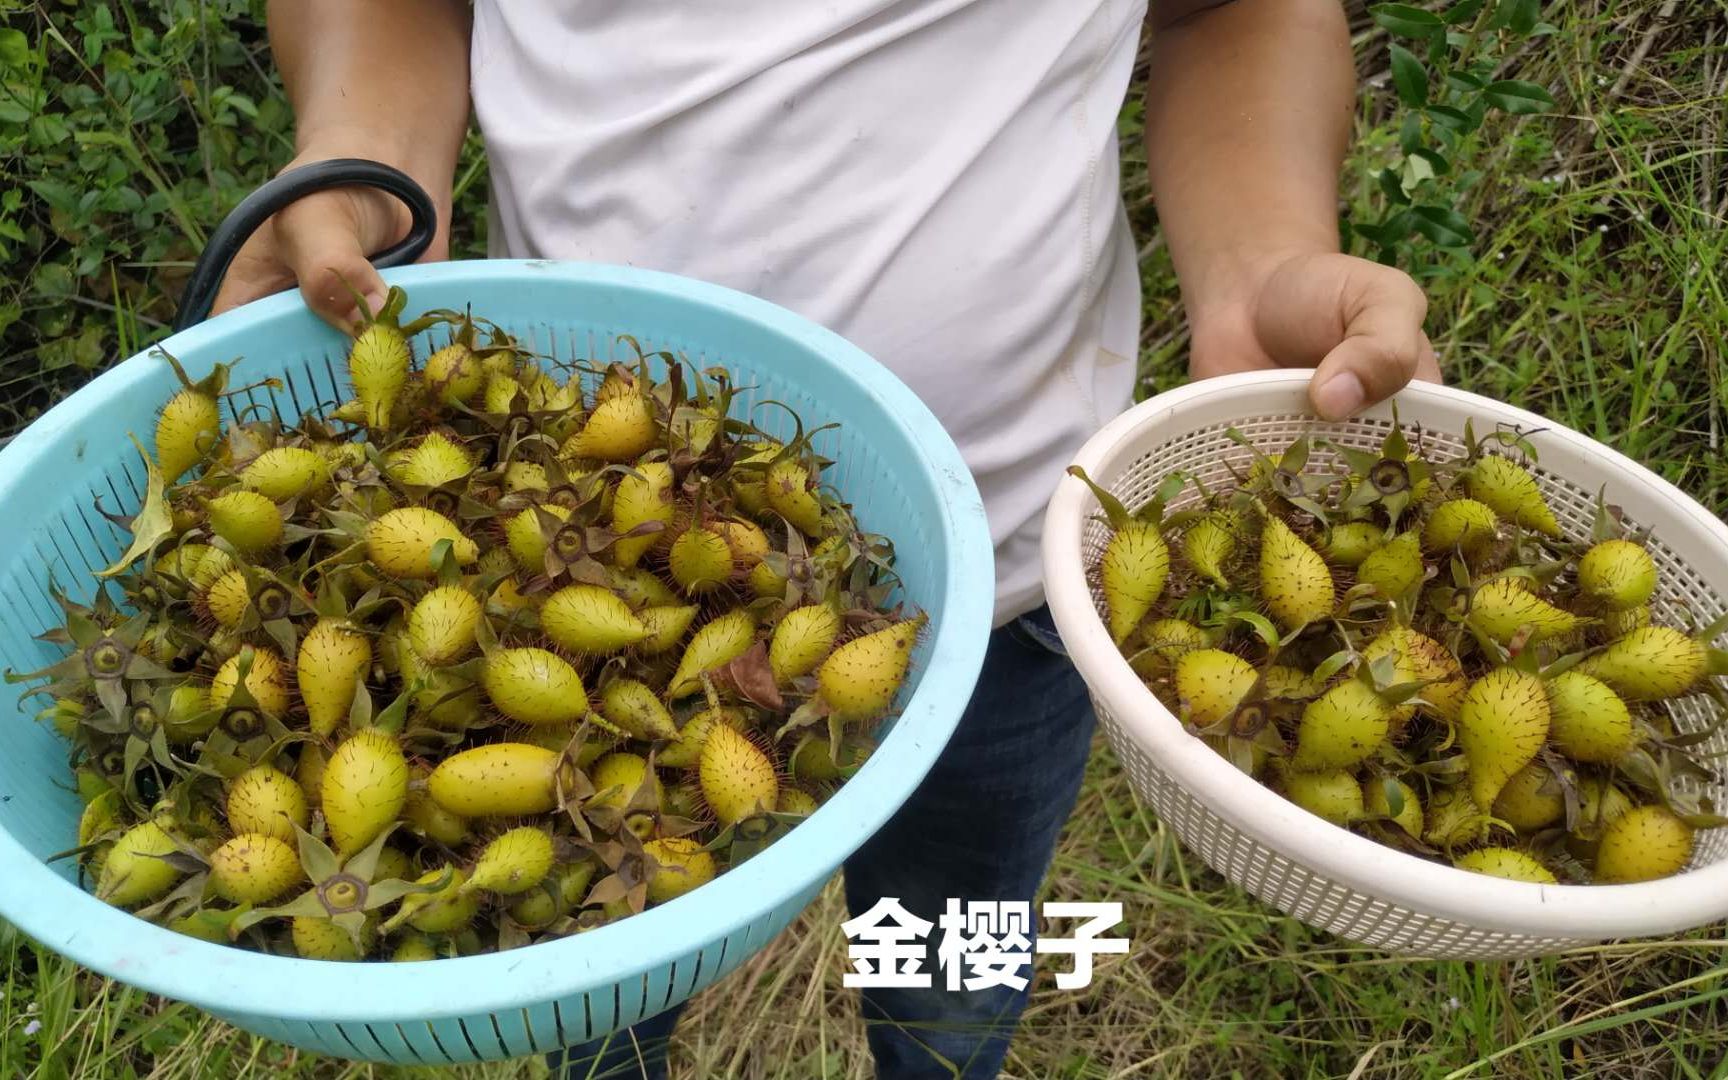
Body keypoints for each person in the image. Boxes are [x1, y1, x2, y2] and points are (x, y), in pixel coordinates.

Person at [216, 1, 1441, 1075]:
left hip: (1009, 576)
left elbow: (1230, 10)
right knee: (592, 955)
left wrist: (1259, 257)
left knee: (952, 960)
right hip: (554, 556)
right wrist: (359, 158)